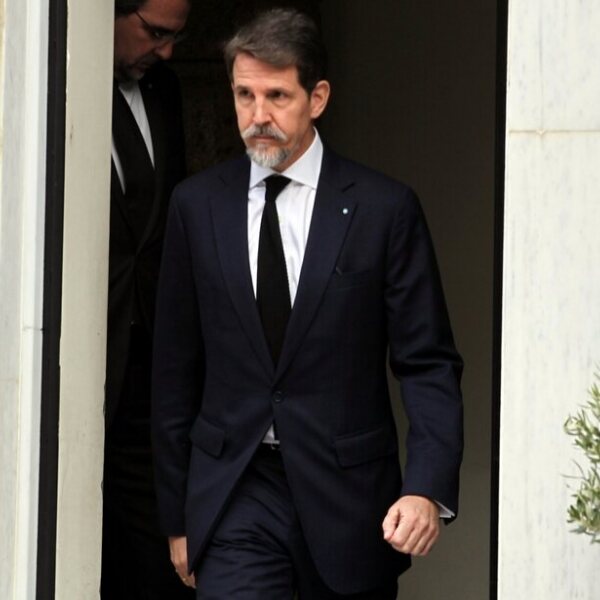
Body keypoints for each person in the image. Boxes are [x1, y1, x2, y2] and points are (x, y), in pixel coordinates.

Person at [152, 8, 464, 599]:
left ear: (316, 98)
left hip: (350, 498)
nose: (258, 116)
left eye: (277, 96)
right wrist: (177, 518)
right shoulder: (197, 207)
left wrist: (426, 488)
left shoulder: (383, 210)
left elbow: (427, 363)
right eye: (244, 95)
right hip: (236, 490)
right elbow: (173, 370)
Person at [102, 0, 194, 598]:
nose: (166, 51)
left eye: (175, 36)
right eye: (155, 33)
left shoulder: (164, 89)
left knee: (149, 563)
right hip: (67, 353)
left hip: (149, 360)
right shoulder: (42, 80)